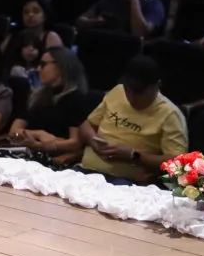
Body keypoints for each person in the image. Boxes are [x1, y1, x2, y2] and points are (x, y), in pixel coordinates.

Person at [78, 56, 188, 185]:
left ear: (157, 86)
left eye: (138, 92)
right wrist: (92, 140)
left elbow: (177, 162)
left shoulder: (170, 114)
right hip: (86, 171)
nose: (131, 97)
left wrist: (134, 155)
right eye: (128, 90)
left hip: (126, 182)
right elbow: (87, 125)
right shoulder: (117, 92)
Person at [7, 46, 91, 164]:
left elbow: (75, 142)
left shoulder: (76, 99)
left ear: (60, 66)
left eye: (43, 64)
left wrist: (41, 145)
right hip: (26, 154)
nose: (38, 69)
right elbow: (13, 132)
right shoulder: (37, 96)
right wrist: (38, 134)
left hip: (52, 160)